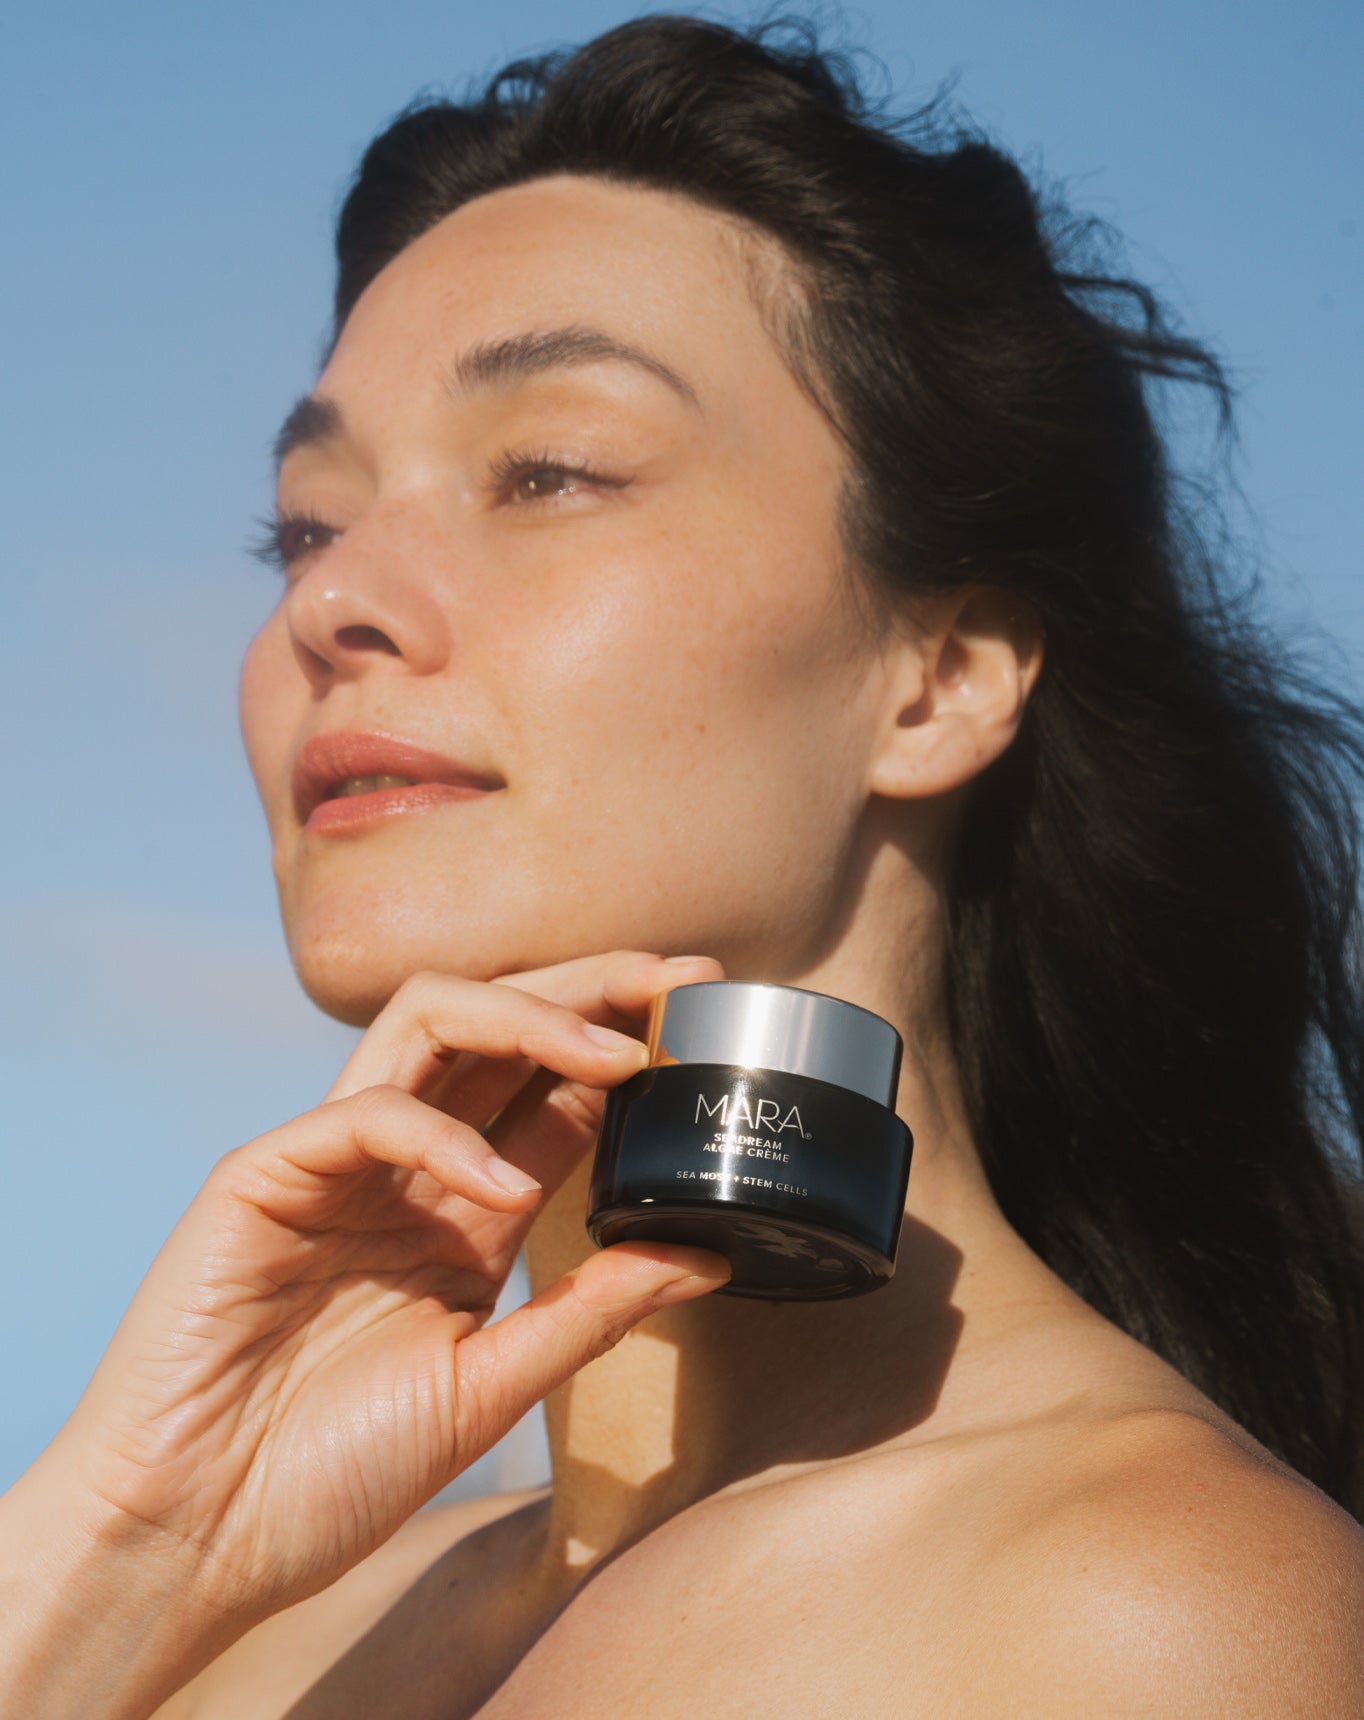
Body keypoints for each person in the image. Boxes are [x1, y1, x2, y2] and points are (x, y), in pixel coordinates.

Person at [4, 14, 1364, 1716]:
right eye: (308, 520)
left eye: (548, 471)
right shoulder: (243, 1626)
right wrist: (121, 1553)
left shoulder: (1132, 1614)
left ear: (939, 679)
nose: (326, 603)